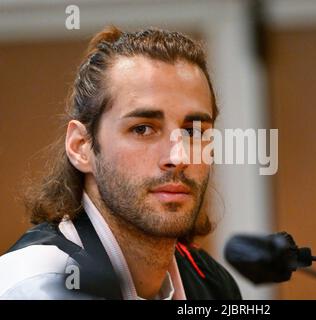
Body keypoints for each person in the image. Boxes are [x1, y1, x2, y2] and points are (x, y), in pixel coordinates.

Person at [0, 25, 241, 300]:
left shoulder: (213, 285)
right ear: (81, 147)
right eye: (143, 129)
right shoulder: (38, 285)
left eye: (193, 132)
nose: (178, 157)